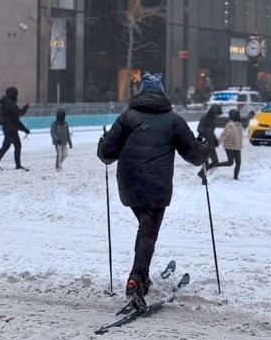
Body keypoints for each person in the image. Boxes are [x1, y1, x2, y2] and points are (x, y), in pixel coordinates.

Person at [96, 72, 208, 312]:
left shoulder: (127, 118)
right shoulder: (173, 121)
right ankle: (136, 280)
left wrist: (103, 141)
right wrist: (203, 148)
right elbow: (194, 155)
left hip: (129, 185)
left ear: (141, 93)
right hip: (156, 186)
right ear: (162, 93)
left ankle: (142, 276)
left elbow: (106, 153)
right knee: (148, 232)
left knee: (145, 228)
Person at [0, 86, 31, 170]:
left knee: (6, 147)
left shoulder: (5, 102)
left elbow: (15, 118)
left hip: (8, 128)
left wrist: (24, 129)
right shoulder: (10, 103)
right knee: (17, 146)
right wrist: (26, 106)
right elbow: (18, 113)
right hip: (11, 129)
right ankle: (17, 165)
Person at [218, 109, 245, 180]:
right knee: (230, 162)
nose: (238, 116)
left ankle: (235, 178)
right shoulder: (229, 125)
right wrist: (217, 143)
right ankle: (215, 165)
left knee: (238, 162)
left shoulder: (240, 125)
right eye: (237, 115)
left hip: (237, 146)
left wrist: (240, 145)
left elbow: (240, 136)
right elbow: (224, 135)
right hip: (229, 146)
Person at [197, 103, 223, 175]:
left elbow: (211, 131)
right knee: (208, 161)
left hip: (211, 142)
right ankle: (203, 175)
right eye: (216, 114)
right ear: (212, 112)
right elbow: (199, 129)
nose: (217, 116)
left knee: (214, 161)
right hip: (205, 142)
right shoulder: (205, 117)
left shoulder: (213, 118)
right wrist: (208, 132)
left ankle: (202, 174)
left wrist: (215, 140)